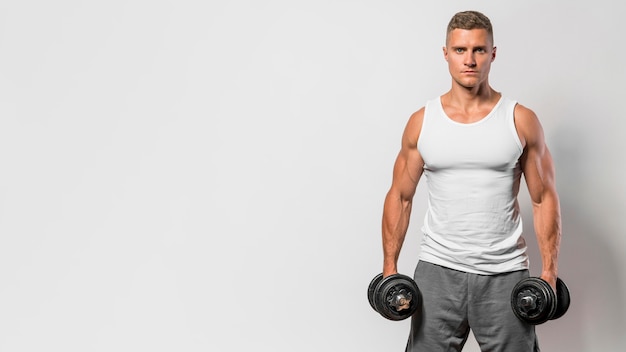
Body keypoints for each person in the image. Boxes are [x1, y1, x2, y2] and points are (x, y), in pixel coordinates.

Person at [381, 10, 561, 352]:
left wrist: (549, 271)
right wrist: (389, 267)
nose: (470, 60)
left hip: (505, 273)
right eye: (461, 50)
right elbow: (401, 197)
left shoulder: (519, 120)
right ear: (446, 53)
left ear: (493, 54)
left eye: (479, 50)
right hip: (438, 270)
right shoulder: (422, 122)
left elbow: (543, 199)